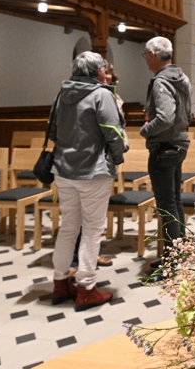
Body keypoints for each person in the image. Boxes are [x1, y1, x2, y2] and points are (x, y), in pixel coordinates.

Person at [48, 51, 126, 310]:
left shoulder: (62, 93)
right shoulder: (102, 93)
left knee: (68, 227)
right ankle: (86, 287)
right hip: (93, 170)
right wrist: (117, 156)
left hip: (63, 169)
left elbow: (54, 128)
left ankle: (60, 283)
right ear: (95, 72)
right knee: (92, 231)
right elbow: (113, 131)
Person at [140, 36, 193, 272]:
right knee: (175, 203)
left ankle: (171, 262)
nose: (146, 60)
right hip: (179, 144)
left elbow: (164, 117)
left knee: (166, 205)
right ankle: (179, 255)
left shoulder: (161, 81)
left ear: (153, 55)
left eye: (145, 55)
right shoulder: (182, 78)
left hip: (164, 147)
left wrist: (145, 130)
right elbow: (188, 114)